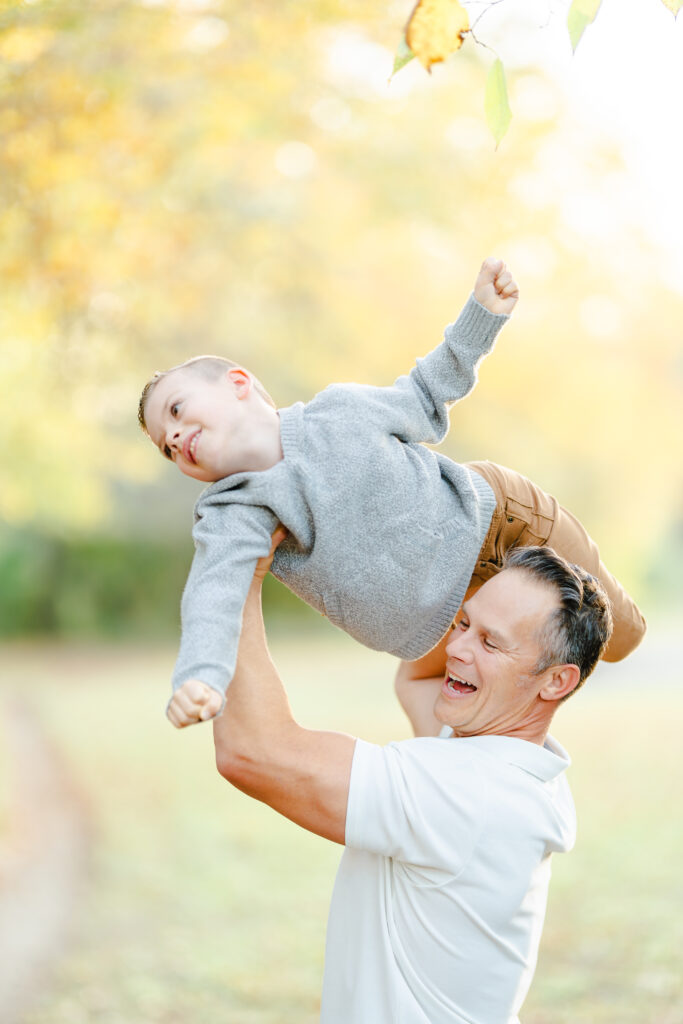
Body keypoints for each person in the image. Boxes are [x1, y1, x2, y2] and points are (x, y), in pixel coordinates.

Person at [137, 258, 645, 725]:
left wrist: (481, 315)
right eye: (165, 445)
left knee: (620, 636)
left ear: (238, 383)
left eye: (177, 410)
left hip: (502, 524)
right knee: (441, 710)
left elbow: (425, 393)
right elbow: (213, 592)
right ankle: (464, 802)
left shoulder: (339, 413)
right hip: (444, 623)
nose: (175, 437)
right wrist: (199, 675)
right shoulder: (236, 510)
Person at [206, 537, 613, 1024]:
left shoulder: (464, 791)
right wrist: (481, 556)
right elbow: (419, 679)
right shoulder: (522, 768)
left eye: (489, 641)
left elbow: (253, 752)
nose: (456, 648)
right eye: (463, 623)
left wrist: (237, 571)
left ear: (556, 682)